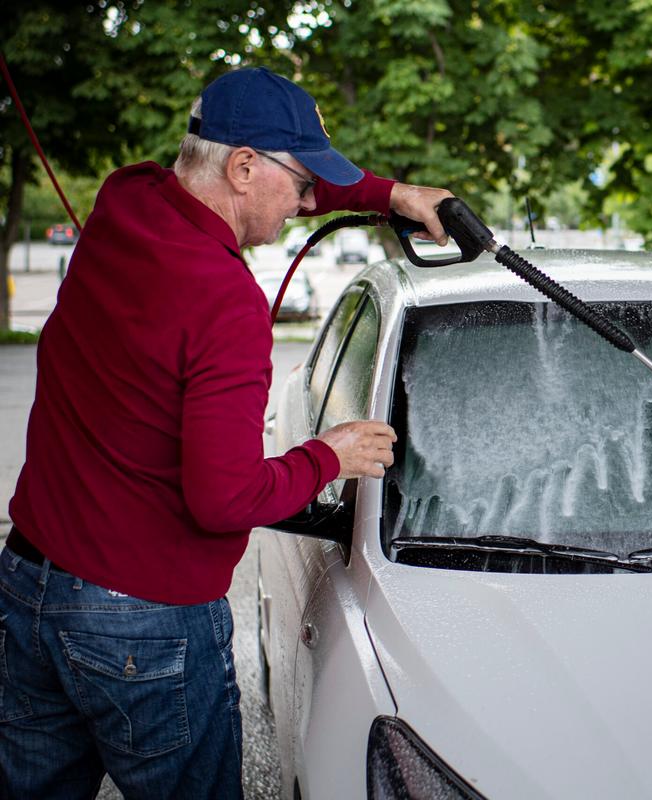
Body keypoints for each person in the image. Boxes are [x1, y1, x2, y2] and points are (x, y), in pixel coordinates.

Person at [0, 67, 452, 799]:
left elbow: (276, 177)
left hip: (29, 586)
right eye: (302, 183)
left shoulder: (128, 195)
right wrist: (325, 454)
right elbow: (224, 497)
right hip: (142, 629)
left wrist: (391, 195)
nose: (309, 204)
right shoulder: (225, 303)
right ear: (243, 168)